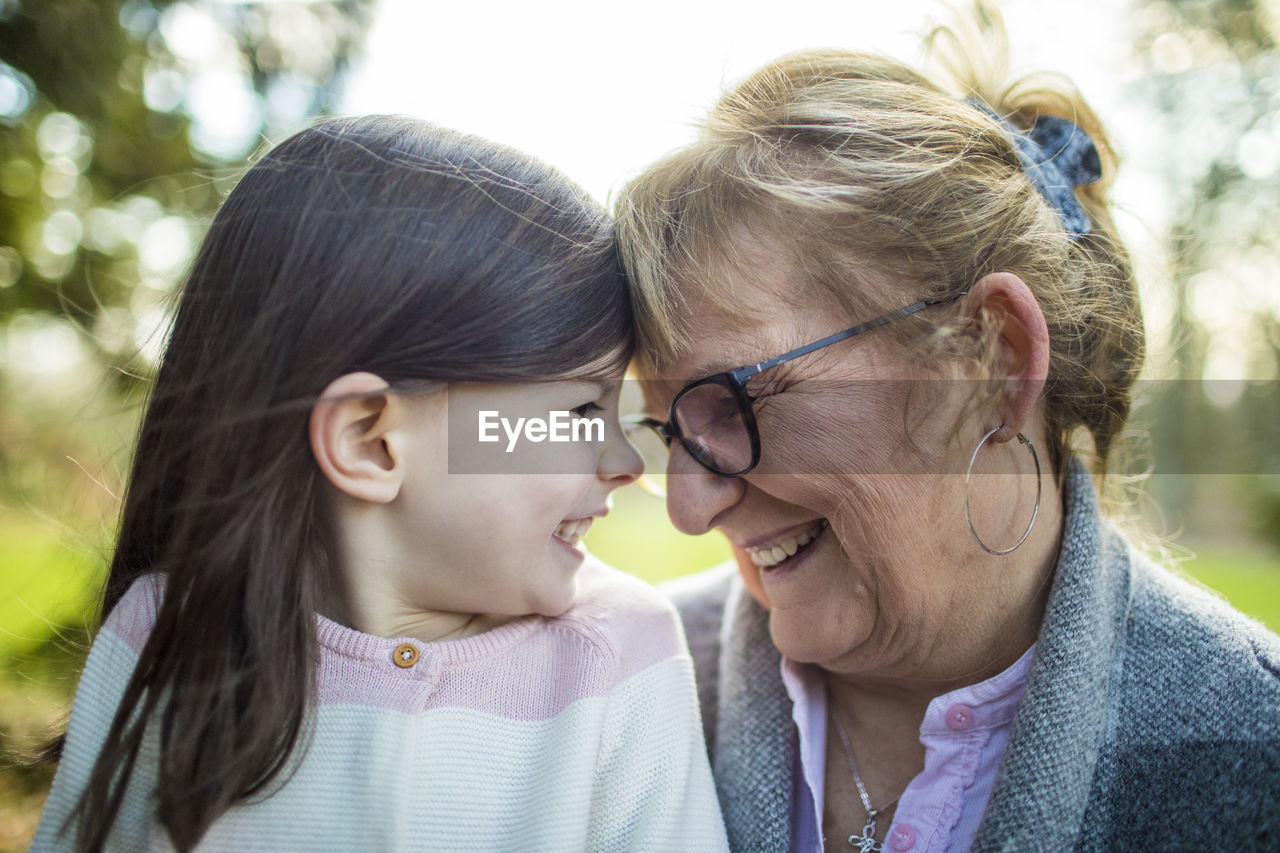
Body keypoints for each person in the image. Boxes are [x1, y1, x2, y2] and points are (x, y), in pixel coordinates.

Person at [614, 12, 1280, 852]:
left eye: (736, 401)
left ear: (993, 359)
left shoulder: (1253, 754)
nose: (686, 506)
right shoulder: (617, 690)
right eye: (667, 427)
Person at [33, 116, 728, 852]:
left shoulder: (619, 657)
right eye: (581, 410)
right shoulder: (160, 640)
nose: (625, 459)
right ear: (370, 440)